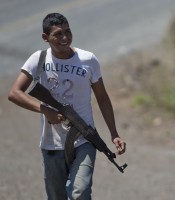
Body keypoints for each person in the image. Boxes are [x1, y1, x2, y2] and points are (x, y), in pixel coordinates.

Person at [8, 13, 126, 199]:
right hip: (51, 143)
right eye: (58, 34)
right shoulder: (38, 60)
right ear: (45, 38)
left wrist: (114, 133)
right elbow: (14, 93)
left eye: (68, 32)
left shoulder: (88, 60)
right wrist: (44, 109)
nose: (65, 38)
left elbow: (102, 97)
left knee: (79, 193)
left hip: (84, 139)